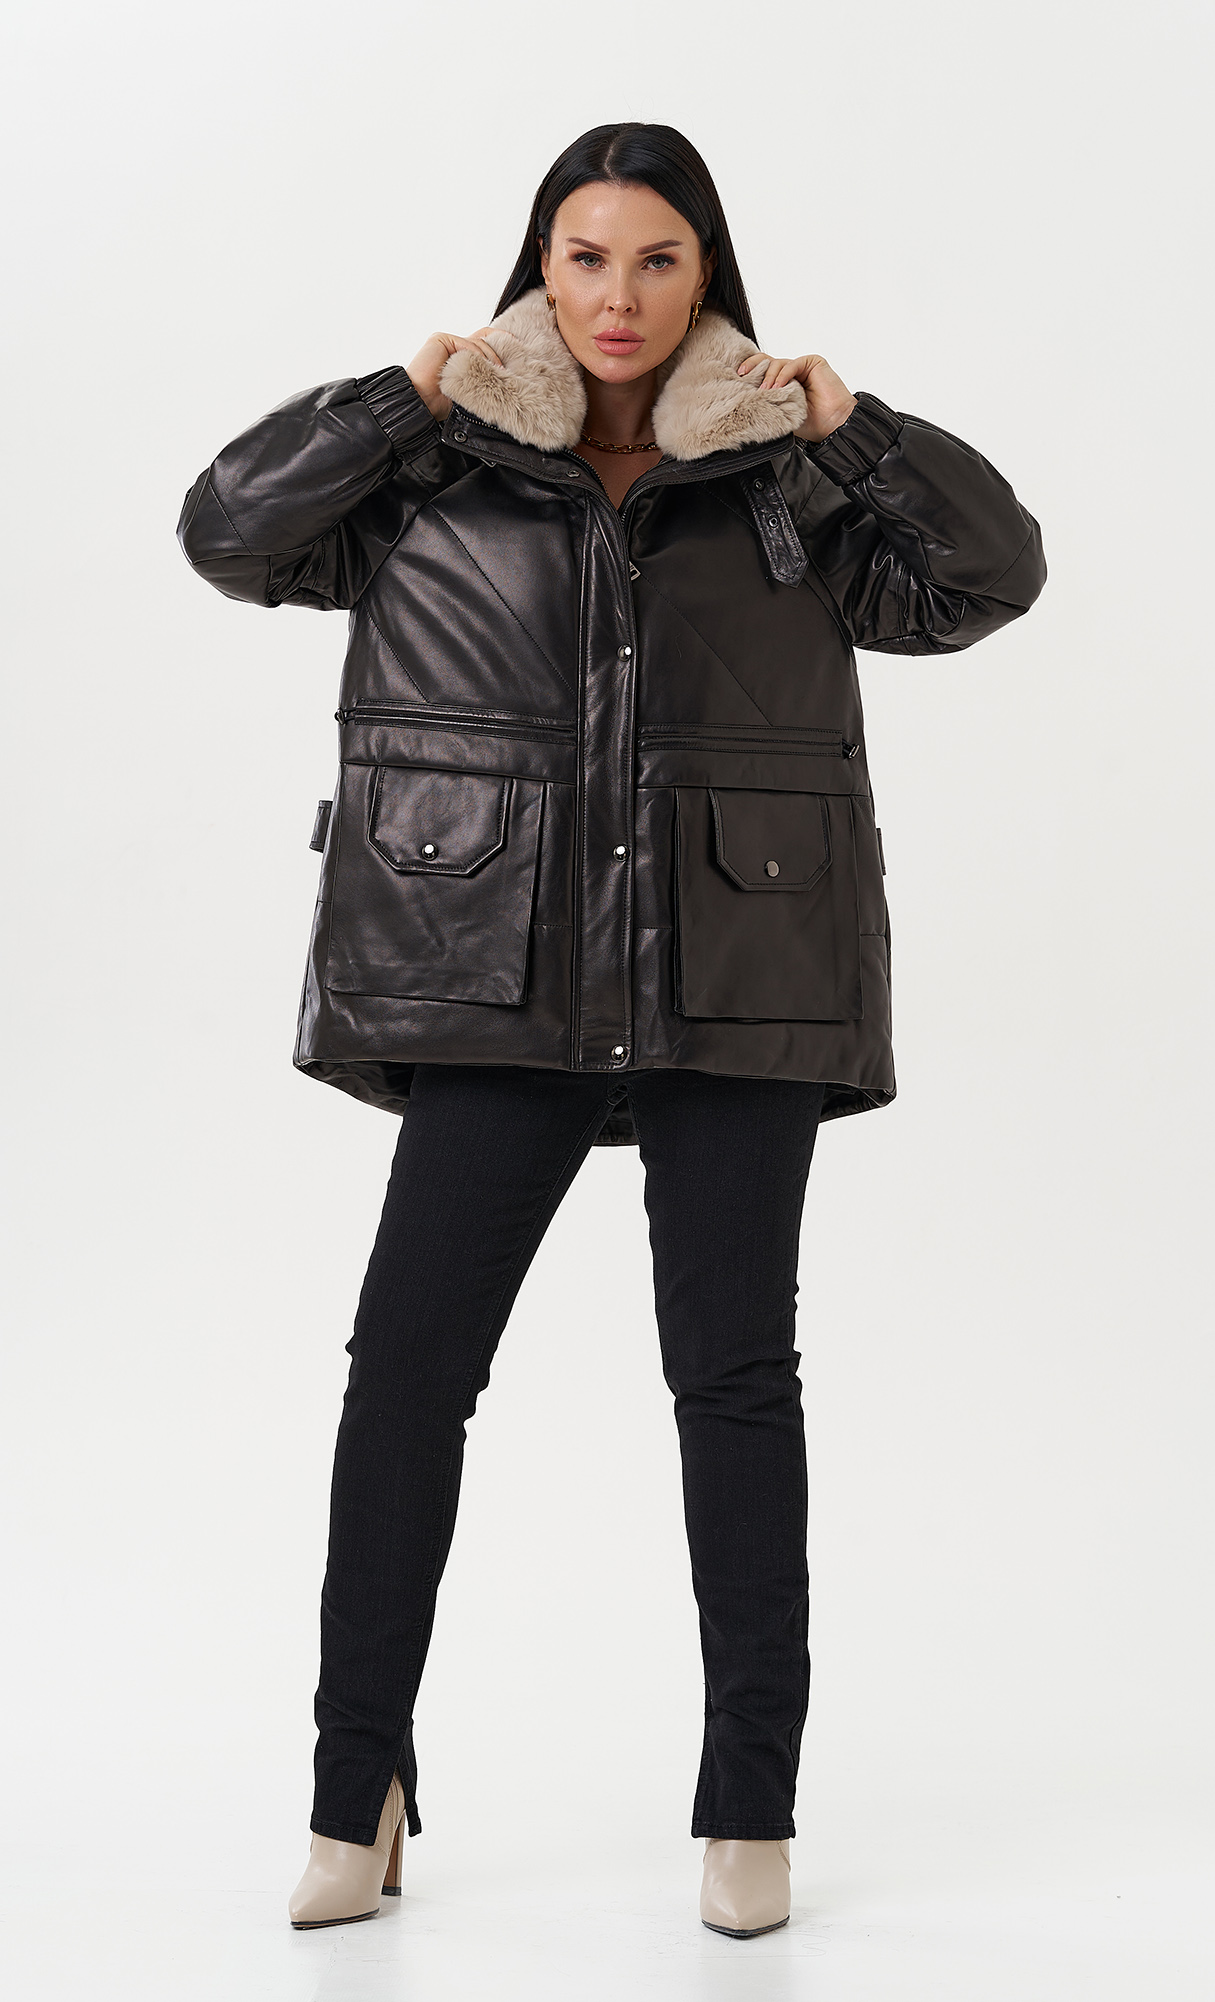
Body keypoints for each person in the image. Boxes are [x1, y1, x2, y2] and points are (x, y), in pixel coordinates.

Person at [176, 120, 1046, 1939]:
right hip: (497, 973)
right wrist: (393, 401)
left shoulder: (789, 482)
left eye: (658, 259)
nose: (620, 296)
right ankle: (355, 1786)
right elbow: (229, 535)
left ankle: (750, 1805)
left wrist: (854, 428)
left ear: (707, 271)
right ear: (538, 268)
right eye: (586, 257)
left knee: (734, 1383)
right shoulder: (432, 467)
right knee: (406, 1377)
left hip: (734, 974)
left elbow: (992, 575)